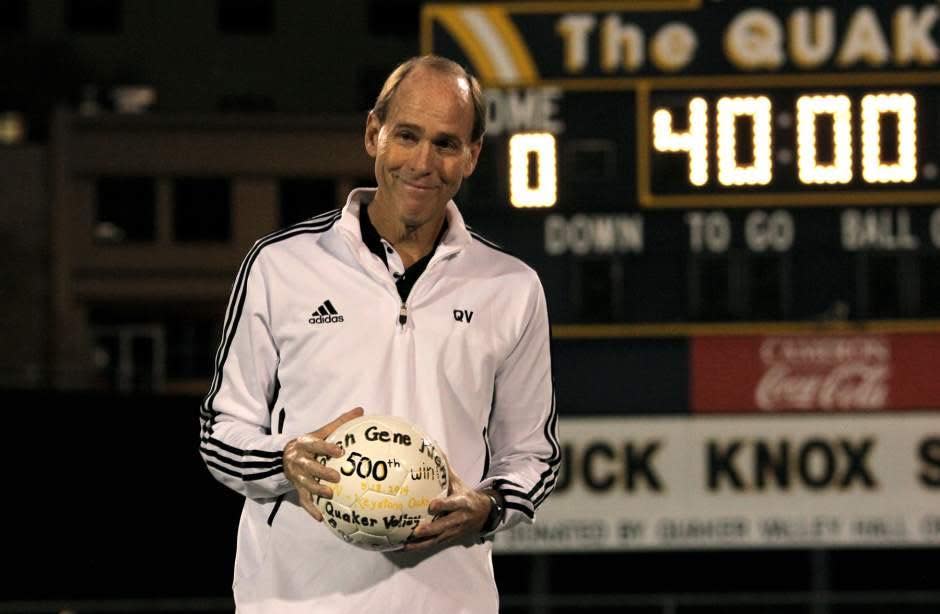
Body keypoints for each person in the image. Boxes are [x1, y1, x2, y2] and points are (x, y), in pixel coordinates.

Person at [199, 54, 559, 613]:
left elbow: (534, 455)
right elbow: (222, 433)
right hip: (295, 600)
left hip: (446, 601)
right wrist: (286, 462)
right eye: (407, 136)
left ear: (472, 156)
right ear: (374, 134)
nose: (423, 162)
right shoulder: (280, 265)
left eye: (446, 143)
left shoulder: (511, 288)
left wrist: (486, 506)